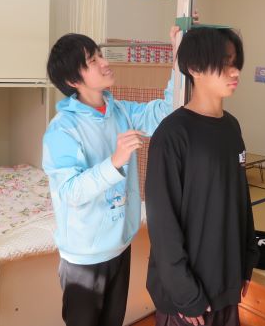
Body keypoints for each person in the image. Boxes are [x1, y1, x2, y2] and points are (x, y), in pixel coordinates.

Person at [42, 30, 176, 326]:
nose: (104, 62)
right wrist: (115, 161)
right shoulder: (62, 129)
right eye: (92, 60)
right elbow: (70, 192)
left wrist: (178, 57)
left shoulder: (120, 112)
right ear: (73, 80)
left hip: (120, 246)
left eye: (99, 55)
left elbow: (166, 112)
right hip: (84, 258)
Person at [145, 27, 259, 326]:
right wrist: (185, 294)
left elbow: (240, 200)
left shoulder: (232, 126)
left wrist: (247, 261)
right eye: (224, 63)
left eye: (235, 62)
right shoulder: (171, 134)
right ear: (194, 68)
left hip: (226, 282)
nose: (235, 71)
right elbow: (162, 224)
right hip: (188, 298)